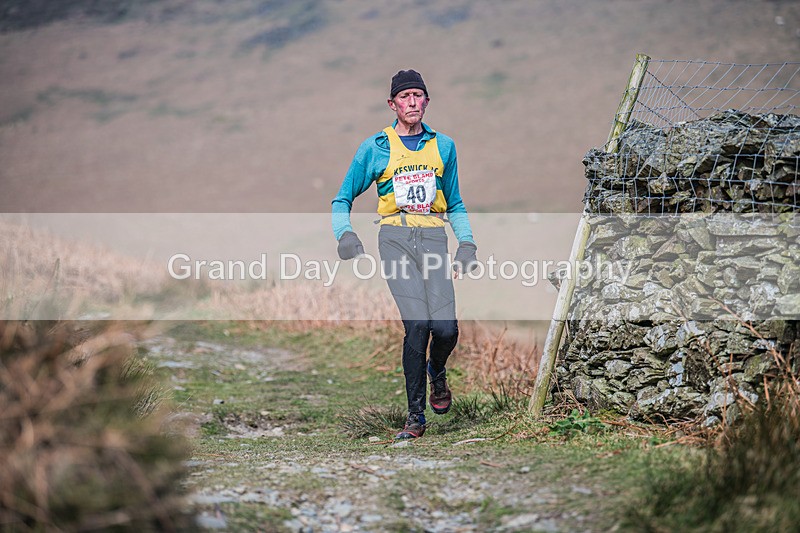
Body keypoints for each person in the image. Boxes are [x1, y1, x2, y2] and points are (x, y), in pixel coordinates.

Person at [331, 69, 478, 439]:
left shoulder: (443, 146)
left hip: (433, 239)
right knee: (417, 324)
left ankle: (437, 371)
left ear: (426, 101)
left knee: (445, 329)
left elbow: (455, 202)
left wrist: (467, 243)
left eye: (418, 95)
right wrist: (344, 233)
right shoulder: (375, 148)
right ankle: (415, 418)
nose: (412, 102)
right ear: (392, 104)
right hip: (394, 239)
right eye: (404, 96)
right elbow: (342, 198)